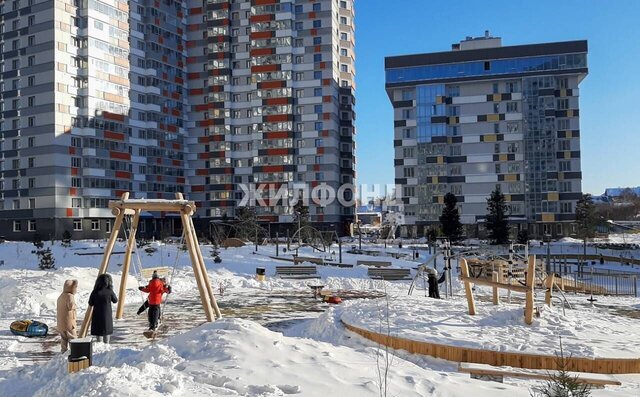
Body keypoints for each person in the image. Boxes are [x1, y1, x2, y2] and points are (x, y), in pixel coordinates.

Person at [88, 273, 118, 343]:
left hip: (97, 315)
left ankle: (99, 348)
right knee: (106, 334)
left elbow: (90, 303)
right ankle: (106, 349)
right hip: (107, 315)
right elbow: (115, 300)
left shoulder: (95, 291)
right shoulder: (109, 291)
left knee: (99, 336)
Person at [56, 279, 78, 353]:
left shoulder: (61, 296)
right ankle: (75, 353)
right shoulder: (69, 296)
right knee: (73, 338)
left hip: (61, 323)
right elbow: (71, 306)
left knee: (64, 338)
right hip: (69, 323)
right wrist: (75, 306)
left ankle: (63, 352)